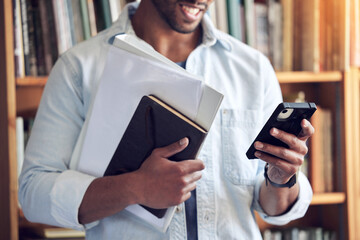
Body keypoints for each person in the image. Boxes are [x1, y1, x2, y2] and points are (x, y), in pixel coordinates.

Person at [19, 0, 314, 239]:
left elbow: (273, 208)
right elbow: (34, 193)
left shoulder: (253, 68)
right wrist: (135, 188)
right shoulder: (79, 68)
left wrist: (281, 179)